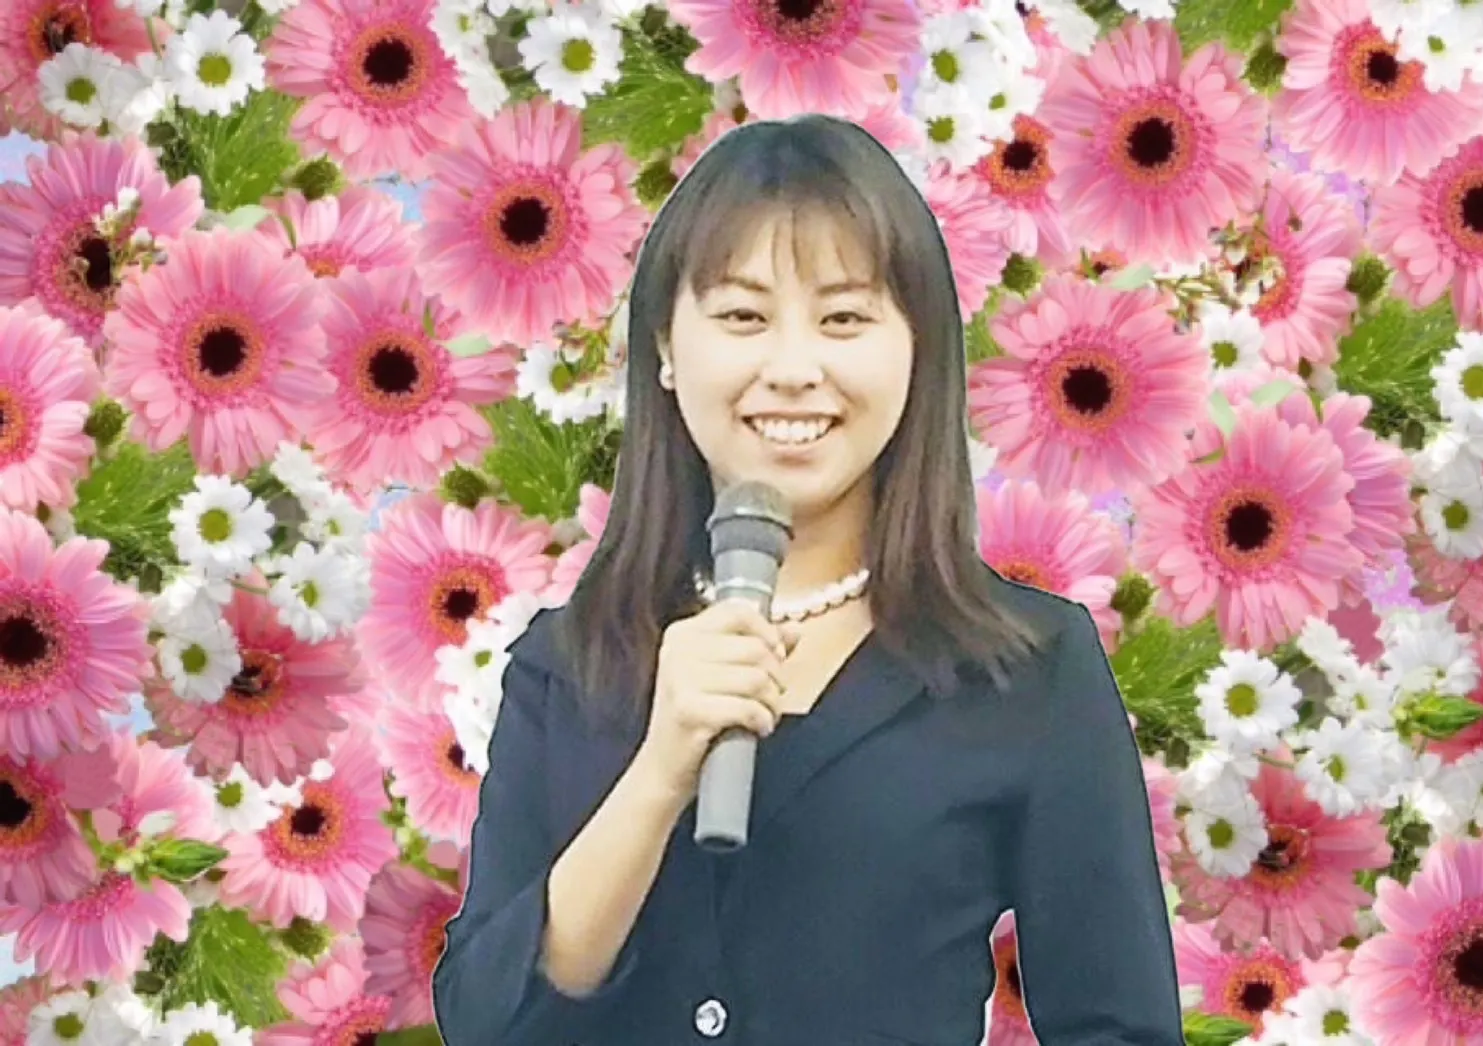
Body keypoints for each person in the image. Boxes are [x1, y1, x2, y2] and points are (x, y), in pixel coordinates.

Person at [430, 114, 1184, 1045]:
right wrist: (660, 769)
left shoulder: (1026, 667)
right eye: (744, 317)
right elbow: (484, 1021)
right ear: (665, 348)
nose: (793, 370)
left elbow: (1119, 1025)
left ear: (917, 349)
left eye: (844, 319)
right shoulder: (569, 662)